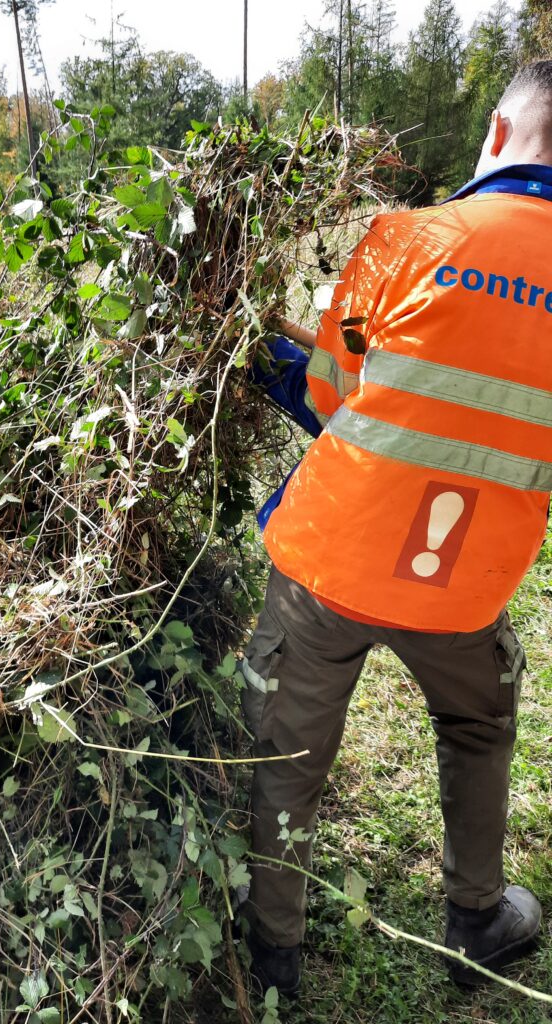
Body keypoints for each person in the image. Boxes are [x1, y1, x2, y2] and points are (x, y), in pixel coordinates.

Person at [242, 61, 552, 996]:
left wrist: (264, 361)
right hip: (464, 588)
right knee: (476, 727)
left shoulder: (406, 238)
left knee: (288, 748)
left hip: (328, 564)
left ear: (498, 135)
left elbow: (334, 398)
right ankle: (476, 917)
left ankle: (271, 951)